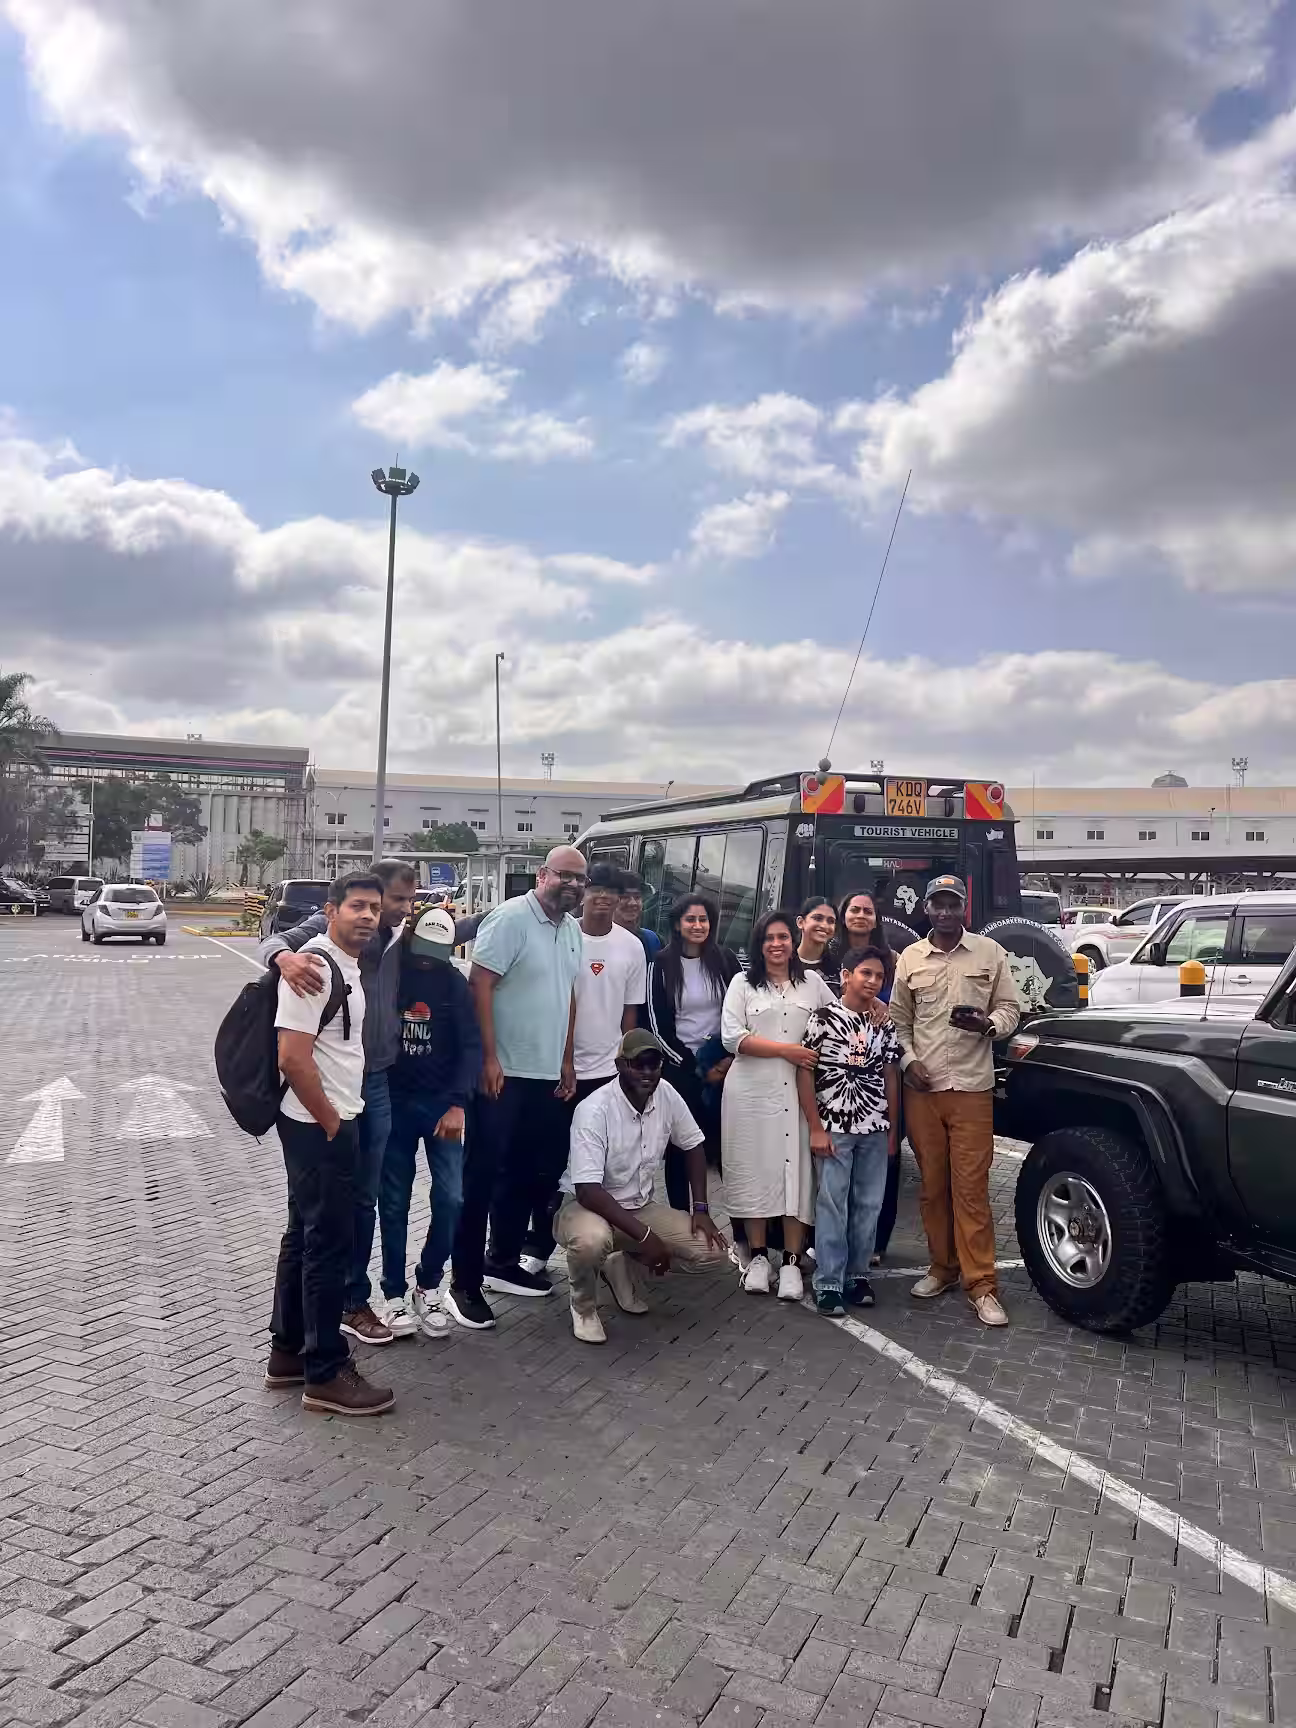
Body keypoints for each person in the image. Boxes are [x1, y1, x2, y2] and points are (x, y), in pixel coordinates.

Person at [260, 857, 417, 1347]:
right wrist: (282, 959)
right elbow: (293, 1055)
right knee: (324, 1228)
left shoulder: (396, 936)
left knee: (343, 1208)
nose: (387, 913)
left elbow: (461, 927)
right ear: (336, 908)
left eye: (385, 905)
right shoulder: (320, 952)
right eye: (390, 901)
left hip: (372, 1083)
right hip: (326, 1106)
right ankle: (329, 1345)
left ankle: (289, 1345)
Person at [446, 846, 584, 1330]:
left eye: (579, 879)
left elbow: (568, 995)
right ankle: (462, 1283)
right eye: (564, 875)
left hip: (546, 1076)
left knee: (527, 1176)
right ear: (542, 875)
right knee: (479, 1178)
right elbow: (479, 985)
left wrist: (567, 1060)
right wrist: (487, 1058)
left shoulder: (571, 929)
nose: (573, 885)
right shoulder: (509, 919)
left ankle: (500, 1262)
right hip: (502, 1073)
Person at [890, 875, 1020, 1328]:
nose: (945, 911)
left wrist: (989, 1026)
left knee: (971, 1189)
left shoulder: (989, 953)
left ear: (963, 908)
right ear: (926, 908)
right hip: (923, 1090)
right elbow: (898, 1021)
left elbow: (1010, 1008)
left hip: (971, 1088)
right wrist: (908, 1062)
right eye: (938, 904)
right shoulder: (910, 959)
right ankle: (942, 1268)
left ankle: (982, 1285)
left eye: (953, 904)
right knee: (932, 1187)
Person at [555, 1030, 730, 1344]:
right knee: (592, 1241)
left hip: (638, 1206)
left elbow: (693, 1145)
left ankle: (622, 1264)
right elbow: (587, 1191)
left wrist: (701, 1209)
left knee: (712, 1252)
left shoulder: (665, 1093)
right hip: (584, 1207)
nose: (648, 1072)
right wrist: (646, 1237)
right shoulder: (594, 1110)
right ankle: (583, 1307)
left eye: (654, 1063)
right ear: (621, 1065)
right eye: (638, 1064)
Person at [519, 862, 646, 1272]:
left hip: (608, 1076)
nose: (605, 898)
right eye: (597, 889)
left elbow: (631, 1015)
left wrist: (625, 1069)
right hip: (559, 1074)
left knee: (604, 1169)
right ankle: (537, 1246)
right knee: (547, 1162)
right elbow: (560, 1004)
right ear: (584, 893)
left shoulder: (632, 946)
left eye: (614, 892)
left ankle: (606, 1251)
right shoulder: (563, 934)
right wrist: (565, 1061)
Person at [720, 909, 836, 1301]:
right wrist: (789, 1050)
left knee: (795, 1173)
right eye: (769, 937)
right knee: (754, 1170)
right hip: (750, 1092)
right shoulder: (742, 983)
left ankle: (790, 1261)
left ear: (793, 941)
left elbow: (840, 1019)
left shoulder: (813, 983)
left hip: (797, 1094)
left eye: (783, 937)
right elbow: (732, 1037)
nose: (776, 944)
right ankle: (757, 1258)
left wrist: (875, 1008)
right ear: (759, 943)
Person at [376, 907, 481, 1338]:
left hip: (443, 1108)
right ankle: (394, 1294)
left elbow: (470, 1046)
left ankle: (429, 1283)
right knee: (395, 1203)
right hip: (395, 1105)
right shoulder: (391, 972)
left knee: (452, 1198)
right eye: (420, 950)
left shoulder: (453, 982)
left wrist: (458, 1104)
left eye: (435, 953)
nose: (425, 960)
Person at [798, 947, 902, 1317]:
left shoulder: (883, 1022)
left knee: (868, 1205)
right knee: (832, 1203)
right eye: (865, 973)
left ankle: (857, 1276)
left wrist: (892, 1127)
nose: (872, 981)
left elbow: (891, 1073)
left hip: (874, 1127)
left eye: (878, 976)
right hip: (835, 1128)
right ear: (846, 975)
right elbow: (804, 1071)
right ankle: (828, 1281)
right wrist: (815, 1126)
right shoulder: (823, 1018)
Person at [645, 891, 741, 1207]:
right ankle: (681, 1217)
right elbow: (657, 1023)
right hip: (681, 1068)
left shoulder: (726, 960)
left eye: (703, 919)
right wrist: (692, 1067)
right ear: (677, 924)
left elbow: (742, 1009)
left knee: (725, 1146)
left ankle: (741, 1224)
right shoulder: (660, 964)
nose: (698, 925)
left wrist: (727, 1061)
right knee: (681, 1147)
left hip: (725, 1064)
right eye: (691, 919)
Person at [834, 892, 900, 1264]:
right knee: (836, 1171)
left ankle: (875, 1243)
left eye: (868, 911)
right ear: (843, 916)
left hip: (880, 1070)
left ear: (876, 919)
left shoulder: (892, 960)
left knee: (884, 1161)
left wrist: (885, 1006)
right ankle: (833, 1242)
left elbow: (902, 1009)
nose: (860, 916)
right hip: (836, 1079)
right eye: (853, 910)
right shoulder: (831, 957)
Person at [615, 875, 662, 960]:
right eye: (625, 897)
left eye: (637, 897)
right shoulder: (597, 939)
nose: (633, 903)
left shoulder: (652, 940)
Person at [797, 896, 839, 986]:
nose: (824, 925)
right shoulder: (783, 963)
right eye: (818, 918)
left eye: (831, 921)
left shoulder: (838, 970)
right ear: (800, 922)